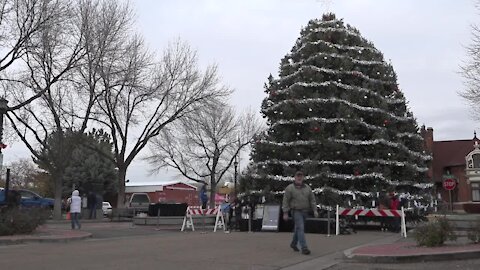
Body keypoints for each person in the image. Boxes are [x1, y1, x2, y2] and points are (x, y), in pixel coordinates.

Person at [282, 171, 318, 255]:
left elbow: (312, 200)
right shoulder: (290, 188)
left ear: (303, 178)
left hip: (305, 211)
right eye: (298, 176)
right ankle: (304, 248)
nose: (299, 178)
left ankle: (293, 244)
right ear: (295, 177)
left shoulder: (307, 188)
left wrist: (315, 210)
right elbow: (285, 201)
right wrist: (285, 213)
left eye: (301, 176)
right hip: (296, 211)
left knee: (298, 229)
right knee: (301, 228)